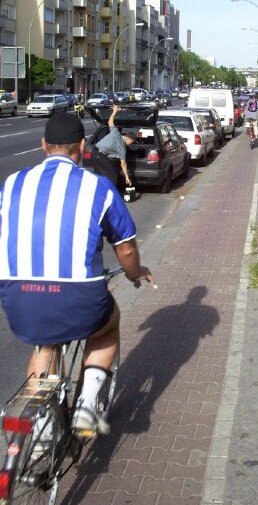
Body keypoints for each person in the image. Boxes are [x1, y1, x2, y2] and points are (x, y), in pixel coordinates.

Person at [0, 113, 153, 433]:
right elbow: (125, 248)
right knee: (107, 327)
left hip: (18, 295)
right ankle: (86, 404)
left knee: (45, 344)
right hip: (79, 296)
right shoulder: (97, 187)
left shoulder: (12, 183)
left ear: (44, 146)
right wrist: (135, 274)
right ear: (82, 146)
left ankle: (39, 434)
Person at [91, 104, 136, 188]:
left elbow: (110, 122)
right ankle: (110, 194)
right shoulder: (122, 147)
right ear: (128, 139)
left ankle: (99, 193)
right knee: (112, 176)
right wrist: (126, 177)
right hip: (99, 155)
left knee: (99, 176)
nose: (131, 144)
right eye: (132, 142)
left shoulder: (116, 132)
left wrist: (114, 112)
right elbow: (123, 164)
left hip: (93, 152)